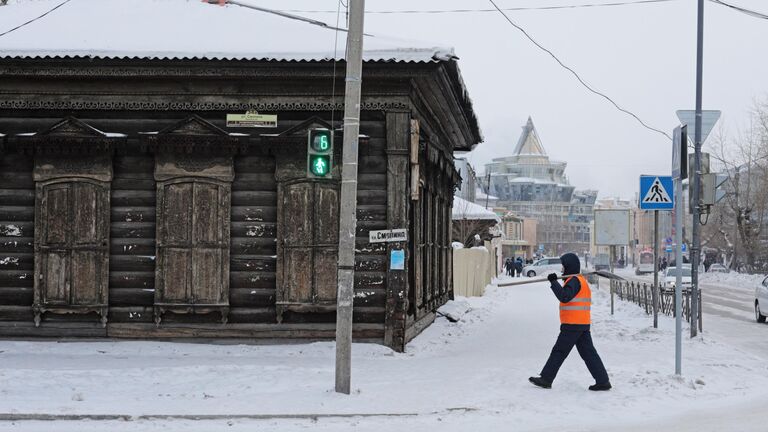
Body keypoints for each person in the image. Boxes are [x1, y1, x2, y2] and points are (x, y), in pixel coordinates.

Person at [529, 252, 611, 391]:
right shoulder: (578, 280)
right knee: (589, 354)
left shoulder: (574, 280)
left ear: (569, 266)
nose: (562, 269)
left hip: (573, 324)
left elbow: (564, 296)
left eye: (563, 266)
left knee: (559, 351)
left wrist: (554, 282)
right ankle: (603, 381)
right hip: (581, 323)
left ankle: (546, 378)